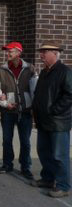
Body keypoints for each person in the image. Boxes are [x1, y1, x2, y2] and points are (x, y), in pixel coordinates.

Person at [31, 42, 72, 198]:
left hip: (57, 122)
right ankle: (48, 179)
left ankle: (63, 186)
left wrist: (54, 111)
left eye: (44, 52)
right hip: (43, 121)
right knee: (44, 151)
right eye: (41, 52)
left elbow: (69, 95)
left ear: (55, 54)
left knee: (59, 155)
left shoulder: (64, 72)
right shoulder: (44, 72)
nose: (41, 55)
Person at [0, 42, 35, 179]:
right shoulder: (1, 70)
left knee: (25, 141)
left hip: (25, 111)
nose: (8, 53)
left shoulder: (30, 69)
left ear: (18, 53)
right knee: (6, 139)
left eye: (11, 51)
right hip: (8, 111)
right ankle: (7, 164)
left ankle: (25, 167)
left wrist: (33, 106)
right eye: (7, 51)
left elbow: (35, 89)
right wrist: (4, 103)